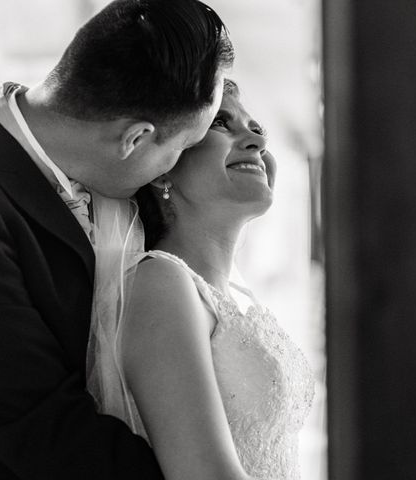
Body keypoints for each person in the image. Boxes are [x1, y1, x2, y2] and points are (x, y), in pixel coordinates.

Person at [0, 0, 233, 478]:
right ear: (135, 138)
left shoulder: (106, 179)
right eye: (183, 147)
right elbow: (40, 429)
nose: (177, 167)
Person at [87, 80, 315, 480]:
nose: (256, 142)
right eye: (222, 124)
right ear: (163, 166)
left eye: (258, 130)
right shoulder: (161, 281)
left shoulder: (238, 296)